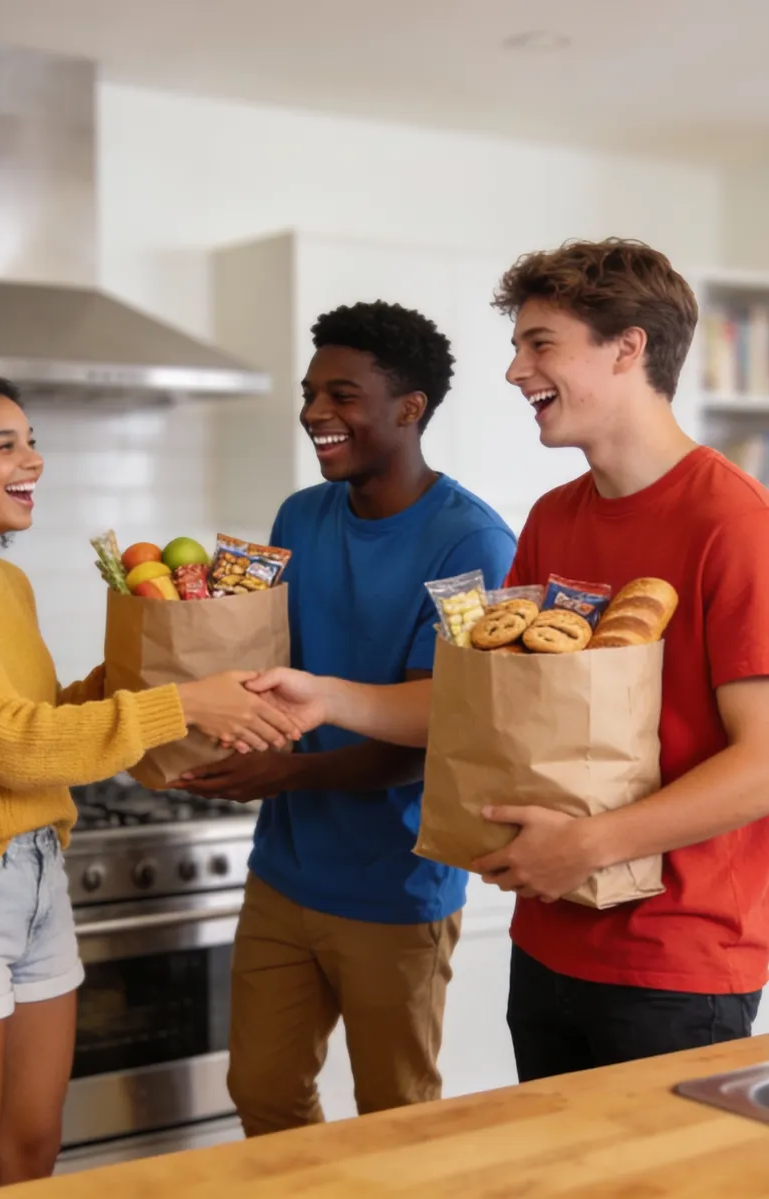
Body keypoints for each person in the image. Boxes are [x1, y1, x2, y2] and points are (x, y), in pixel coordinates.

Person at [249, 240, 769, 1082]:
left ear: (628, 348)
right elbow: (478, 702)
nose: (514, 370)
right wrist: (325, 696)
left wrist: (591, 843)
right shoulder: (554, 519)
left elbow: (764, 763)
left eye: (540, 344)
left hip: (677, 961)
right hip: (551, 937)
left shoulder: (736, 523)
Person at [0, 372, 303, 1198]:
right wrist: (179, 700)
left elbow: (36, 714)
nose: (33, 460)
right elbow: (8, 745)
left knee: (33, 1156)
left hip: (41, 877)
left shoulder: (9, 585)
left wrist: (164, 661)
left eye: (33, 440)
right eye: (5, 444)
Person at [176, 302, 516, 1133]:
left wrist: (285, 771)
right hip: (285, 872)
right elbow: (267, 664)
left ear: (410, 408)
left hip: (396, 885)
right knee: (261, 1090)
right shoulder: (301, 516)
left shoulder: (471, 543)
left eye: (342, 395)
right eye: (309, 393)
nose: (315, 414)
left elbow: (439, 726)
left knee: (394, 1121)